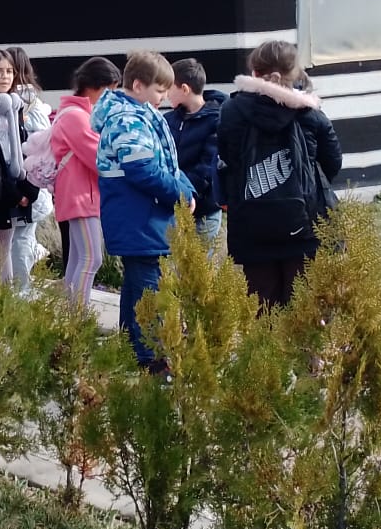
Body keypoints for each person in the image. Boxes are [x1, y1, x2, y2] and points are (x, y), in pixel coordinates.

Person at [217, 40, 343, 309]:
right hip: (305, 225)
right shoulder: (310, 112)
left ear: (254, 71)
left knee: (264, 311)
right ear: (294, 73)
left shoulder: (231, 111)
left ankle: (264, 353)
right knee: (304, 312)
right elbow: (332, 163)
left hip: (251, 225)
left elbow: (228, 157)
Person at [94, 51, 194, 369]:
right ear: (138, 85)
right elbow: (142, 169)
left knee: (138, 286)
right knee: (148, 291)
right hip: (139, 219)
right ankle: (151, 360)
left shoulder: (137, 114)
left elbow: (165, 163)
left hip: (140, 218)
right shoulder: (128, 119)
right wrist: (179, 195)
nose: (164, 98)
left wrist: (186, 188)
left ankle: (131, 352)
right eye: (159, 91)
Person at [52, 57, 119, 301]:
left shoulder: (74, 112)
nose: (111, 96)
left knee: (79, 258)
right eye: (109, 90)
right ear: (93, 85)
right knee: (92, 258)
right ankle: (78, 318)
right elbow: (98, 157)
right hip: (81, 195)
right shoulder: (76, 117)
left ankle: (71, 317)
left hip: (78, 194)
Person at [0, 49, 33, 274]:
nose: (5, 77)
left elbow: (23, 147)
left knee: (5, 246)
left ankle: (6, 299)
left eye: (9, 71)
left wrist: (28, 188)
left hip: (14, 185)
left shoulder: (14, 106)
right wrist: (14, 193)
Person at [165, 58, 227, 251]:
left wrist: (185, 193)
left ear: (184, 89)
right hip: (174, 207)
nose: (165, 94)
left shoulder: (217, 120)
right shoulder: (168, 120)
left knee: (199, 269)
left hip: (203, 210)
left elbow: (207, 168)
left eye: (169, 88)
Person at [4, 46, 54, 291]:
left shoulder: (24, 104)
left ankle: (21, 290)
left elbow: (41, 145)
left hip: (26, 185)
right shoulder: (33, 102)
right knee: (19, 239)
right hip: (30, 185)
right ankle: (20, 286)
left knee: (19, 239)